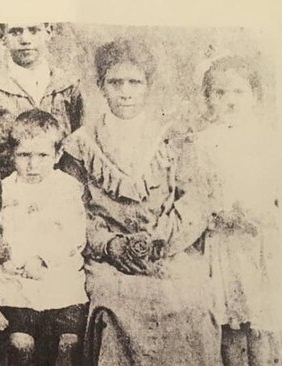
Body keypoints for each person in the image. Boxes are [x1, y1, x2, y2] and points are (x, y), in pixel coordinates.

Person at [59, 38, 221, 365]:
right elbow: (69, 210)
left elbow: (193, 203)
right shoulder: (81, 143)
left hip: (166, 252)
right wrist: (110, 245)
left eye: (135, 82)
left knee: (191, 304)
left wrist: (159, 241)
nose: (126, 92)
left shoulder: (172, 136)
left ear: (148, 86)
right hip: (107, 258)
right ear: (101, 86)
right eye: (115, 82)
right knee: (112, 307)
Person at [194, 56, 282, 365]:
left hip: (257, 242)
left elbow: (279, 192)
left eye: (238, 92)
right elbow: (197, 193)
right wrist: (217, 213)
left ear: (255, 96)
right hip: (223, 243)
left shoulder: (268, 140)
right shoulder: (203, 143)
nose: (229, 101)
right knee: (229, 324)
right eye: (219, 93)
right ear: (208, 99)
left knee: (259, 325)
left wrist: (259, 211)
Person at [0, 109, 88, 365]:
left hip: (60, 281)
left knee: (69, 342)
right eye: (24, 155)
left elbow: (74, 235)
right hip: (18, 282)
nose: (33, 165)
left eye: (42, 155)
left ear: (57, 155)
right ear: (12, 155)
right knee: (21, 344)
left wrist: (44, 259)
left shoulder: (67, 189)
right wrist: (20, 262)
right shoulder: (5, 191)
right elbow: (1, 236)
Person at [0, 23, 83, 175]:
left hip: (63, 186)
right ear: (2, 36)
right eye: (15, 32)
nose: (25, 39)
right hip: (9, 187)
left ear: (48, 32)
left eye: (33, 30)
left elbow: (81, 143)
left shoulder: (68, 84)